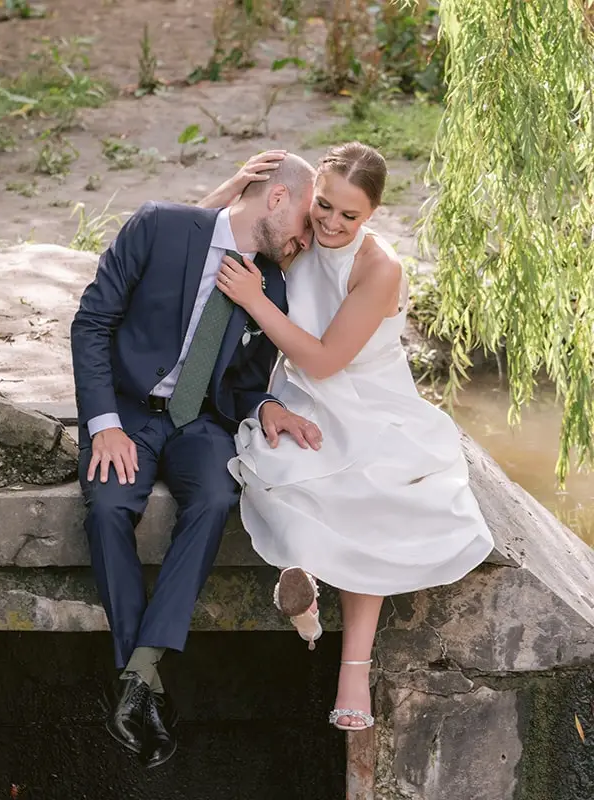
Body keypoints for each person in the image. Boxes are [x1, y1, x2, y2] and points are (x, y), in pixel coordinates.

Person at [205, 142, 495, 732]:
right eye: (325, 208)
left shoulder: (378, 267)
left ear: (373, 215)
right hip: (302, 398)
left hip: (366, 399)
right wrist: (229, 190)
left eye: (349, 216)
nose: (332, 225)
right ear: (314, 197)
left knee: (376, 492)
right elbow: (196, 240)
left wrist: (256, 300)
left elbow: (326, 360)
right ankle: (304, 587)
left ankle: (352, 669)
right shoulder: (302, 233)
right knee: (280, 466)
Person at [70, 152, 322, 767]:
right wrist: (103, 424)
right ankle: (146, 683)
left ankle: (136, 677)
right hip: (127, 411)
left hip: (198, 425)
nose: (306, 239)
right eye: (306, 221)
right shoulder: (157, 226)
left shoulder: (274, 284)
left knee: (214, 497)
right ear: (278, 198)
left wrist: (265, 407)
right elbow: (91, 323)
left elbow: (241, 381)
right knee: (107, 508)